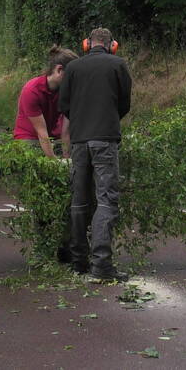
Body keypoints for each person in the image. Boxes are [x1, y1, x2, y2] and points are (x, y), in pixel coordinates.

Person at [58, 27, 132, 280]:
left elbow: (64, 104)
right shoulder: (118, 65)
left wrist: (81, 122)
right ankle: (101, 265)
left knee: (79, 200)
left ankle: (78, 261)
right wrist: (108, 121)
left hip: (79, 140)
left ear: (87, 44)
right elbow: (125, 104)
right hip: (105, 140)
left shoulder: (73, 68)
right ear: (112, 44)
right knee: (106, 200)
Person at [13, 46, 78, 158]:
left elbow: (66, 132)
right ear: (59, 70)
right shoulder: (32, 90)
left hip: (51, 137)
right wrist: (54, 164)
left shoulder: (68, 92)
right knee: (34, 153)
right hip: (28, 138)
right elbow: (41, 132)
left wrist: (67, 160)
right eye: (72, 75)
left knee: (75, 151)